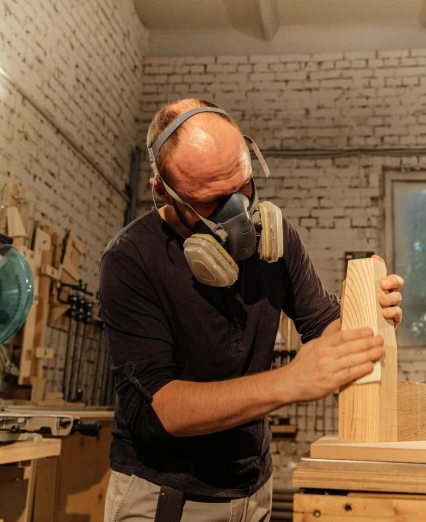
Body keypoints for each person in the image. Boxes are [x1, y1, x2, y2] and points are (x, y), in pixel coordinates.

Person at [99, 99, 404, 522]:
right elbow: (160, 409)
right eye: (210, 201)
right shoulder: (131, 260)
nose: (237, 215)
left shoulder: (277, 243)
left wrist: (366, 316)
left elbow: (324, 328)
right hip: (165, 499)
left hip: (253, 491)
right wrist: (291, 381)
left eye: (242, 187)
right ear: (162, 193)